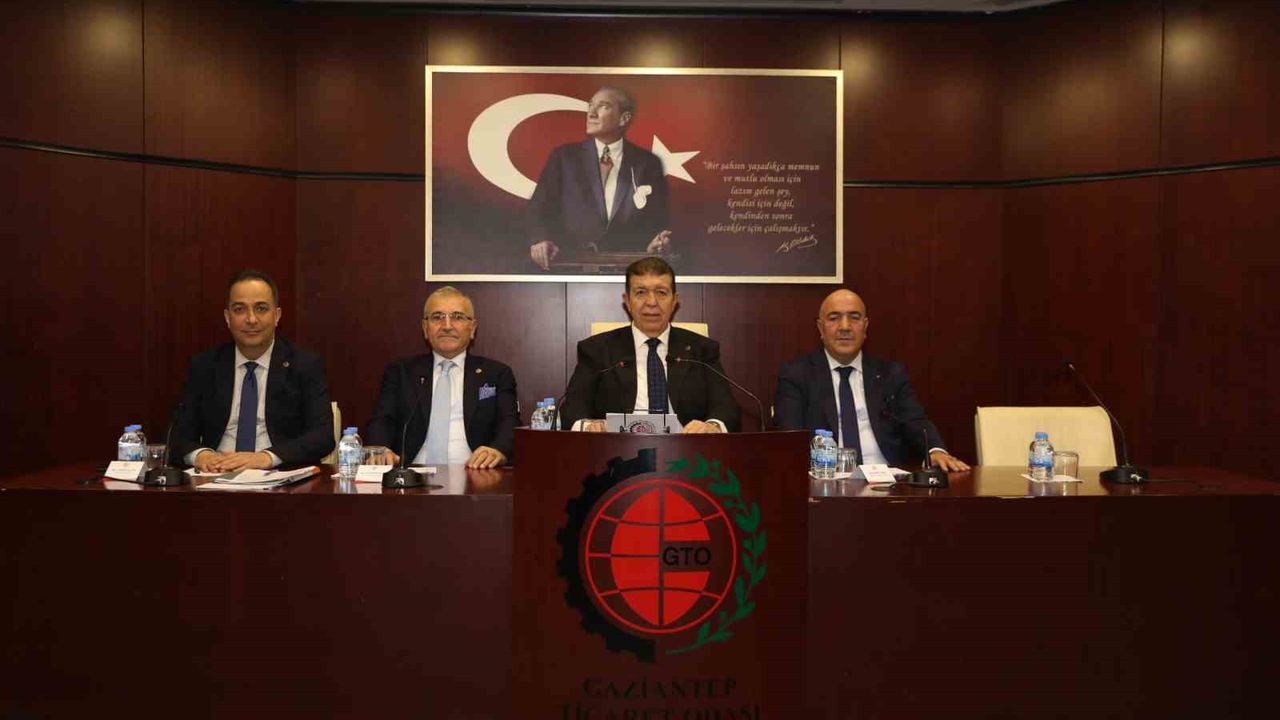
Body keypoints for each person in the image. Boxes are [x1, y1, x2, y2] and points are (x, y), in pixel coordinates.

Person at [773, 289, 970, 472]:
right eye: (834, 318)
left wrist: (935, 451)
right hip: (826, 481)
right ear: (820, 328)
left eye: (854, 317)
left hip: (888, 482)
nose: (845, 327)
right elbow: (789, 440)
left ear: (865, 327)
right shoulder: (796, 375)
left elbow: (915, 420)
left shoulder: (890, 374)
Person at [172, 270, 335, 472]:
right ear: (227, 317)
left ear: (277, 316)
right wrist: (202, 455)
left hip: (278, 477)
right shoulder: (205, 366)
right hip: (216, 475)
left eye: (261, 309)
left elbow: (322, 437)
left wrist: (266, 457)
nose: (251, 319)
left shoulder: (304, 365)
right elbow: (177, 438)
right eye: (239, 309)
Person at [561, 257, 740, 433]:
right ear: (627, 301)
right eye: (641, 292)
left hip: (686, 447)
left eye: (661, 292)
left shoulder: (701, 350)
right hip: (616, 446)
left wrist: (712, 427)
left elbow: (726, 409)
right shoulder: (597, 350)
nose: (651, 302)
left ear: (674, 300)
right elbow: (572, 411)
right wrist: (589, 426)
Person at [365, 287, 517, 468]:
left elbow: (509, 422)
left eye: (457, 317)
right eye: (437, 317)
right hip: (412, 474)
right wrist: (380, 449)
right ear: (425, 328)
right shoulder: (401, 372)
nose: (447, 326)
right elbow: (382, 420)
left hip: (475, 472)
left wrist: (498, 450)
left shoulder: (497, 374)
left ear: (472, 328)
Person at [527, 86, 672, 270]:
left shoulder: (648, 163)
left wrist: (653, 244)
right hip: (570, 267)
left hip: (626, 269)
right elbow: (538, 208)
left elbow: (657, 221)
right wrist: (540, 239)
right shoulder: (564, 157)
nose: (591, 113)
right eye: (590, 106)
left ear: (624, 118)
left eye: (603, 106)